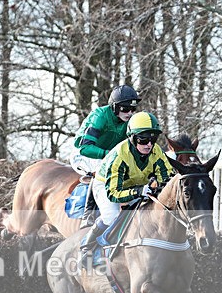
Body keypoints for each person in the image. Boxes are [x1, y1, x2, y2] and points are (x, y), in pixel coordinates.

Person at [79, 111, 173, 264]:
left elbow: (167, 180)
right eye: (143, 139)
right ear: (132, 137)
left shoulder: (157, 153)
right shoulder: (120, 155)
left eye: (152, 138)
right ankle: (86, 248)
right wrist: (138, 192)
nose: (149, 144)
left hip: (133, 185)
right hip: (106, 185)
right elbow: (114, 193)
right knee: (111, 215)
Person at [70, 84, 141, 228]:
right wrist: (107, 154)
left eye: (133, 109)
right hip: (84, 154)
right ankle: (88, 214)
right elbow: (85, 148)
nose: (130, 113)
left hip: (108, 156)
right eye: (125, 109)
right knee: (102, 169)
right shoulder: (100, 116)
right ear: (114, 107)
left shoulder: (130, 122)